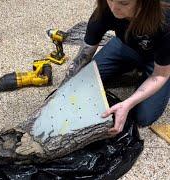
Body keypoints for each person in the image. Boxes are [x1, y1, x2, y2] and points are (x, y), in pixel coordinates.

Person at [66, 0, 170, 135]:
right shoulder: (106, 8)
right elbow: (84, 55)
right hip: (127, 45)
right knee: (86, 80)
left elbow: (159, 75)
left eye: (124, 3)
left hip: (161, 60)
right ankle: (133, 69)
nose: (114, 8)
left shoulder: (165, 21)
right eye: (111, 0)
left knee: (143, 117)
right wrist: (68, 84)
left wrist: (127, 104)